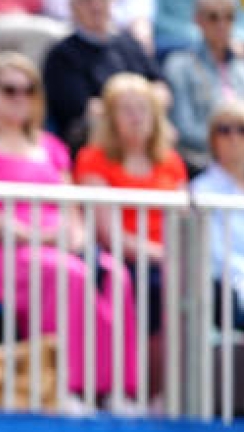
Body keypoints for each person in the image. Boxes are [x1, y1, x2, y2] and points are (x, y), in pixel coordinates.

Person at [0, 52, 140, 402]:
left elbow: (72, 209)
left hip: (54, 247)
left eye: (29, 89)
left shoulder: (51, 146)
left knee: (115, 274)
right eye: (9, 89)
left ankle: (116, 389)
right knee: (67, 274)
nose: (20, 97)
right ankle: (68, 387)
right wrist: (42, 237)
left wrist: (78, 238)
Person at [75, 72, 187, 397]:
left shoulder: (170, 162)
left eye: (143, 108)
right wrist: (161, 255)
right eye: (127, 109)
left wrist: (174, 256)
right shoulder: (93, 160)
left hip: (166, 259)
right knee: (153, 287)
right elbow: (109, 234)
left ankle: (171, 392)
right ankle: (142, 391)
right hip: (121, 261)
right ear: (111, 118)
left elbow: (183, 224)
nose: (137, 117)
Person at [43, 0, 169, 156]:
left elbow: (161, 89)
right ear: (73, 7)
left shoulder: (129, 43)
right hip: (95, 146)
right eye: (86, 3)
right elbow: (85, 109)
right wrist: (140, 109)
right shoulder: (62, 55)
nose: (95, 6)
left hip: (146, 144)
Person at [163, 0, 244, 173]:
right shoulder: (179, 65)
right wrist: (229, 141)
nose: (222, 25)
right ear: (198, 20)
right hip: (201, 163)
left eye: (229, 17)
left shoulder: (240, 68)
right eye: (213, 17)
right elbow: (184, 128)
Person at [190, 100, 244, 329]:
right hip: (226, 287)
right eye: (224, 130)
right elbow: (213, 254)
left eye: (242, 129)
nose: (233, 137)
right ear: (213, 140)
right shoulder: (201, 190)